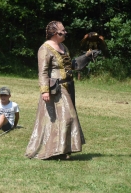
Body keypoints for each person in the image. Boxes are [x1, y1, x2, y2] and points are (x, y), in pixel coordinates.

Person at [25, 21, 85, 160]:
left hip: (67, 86)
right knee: (67, 117)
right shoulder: (45, 48)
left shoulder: (63, 47)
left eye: (65, 31)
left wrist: (86, 57)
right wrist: (45, 90)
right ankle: (52, 150)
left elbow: (70, 65)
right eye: (61, 32)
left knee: (64, 119)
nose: (64, 33)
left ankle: (63, 151)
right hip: (54, 90)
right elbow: (43, 72)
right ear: (53, 34)